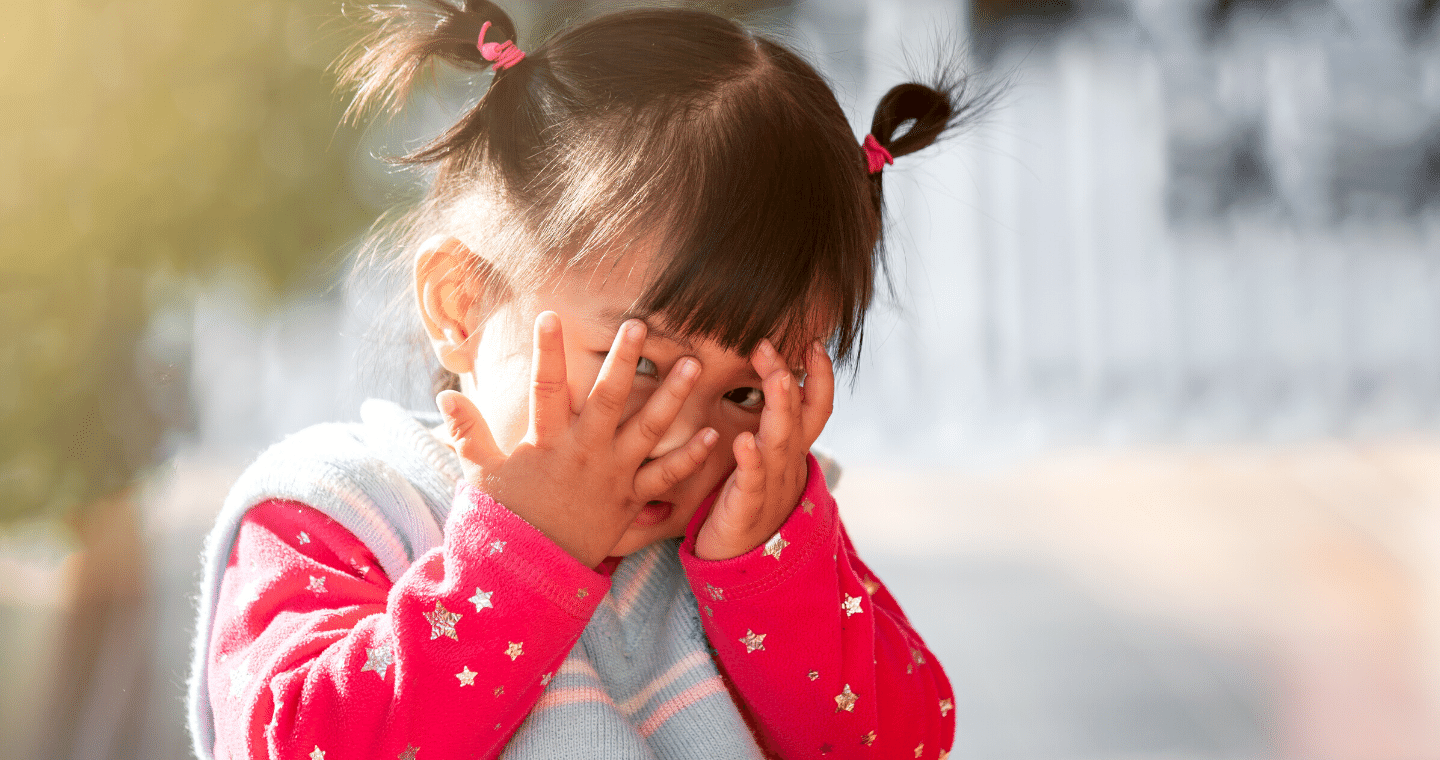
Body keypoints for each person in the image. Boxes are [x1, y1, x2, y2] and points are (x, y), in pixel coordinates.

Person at [187, 2, 989, 757]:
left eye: (745, 394)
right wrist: (525, 555)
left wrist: (771, 566)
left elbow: (905, 739)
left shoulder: (750, 533)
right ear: (463, 305)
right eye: (638, 364)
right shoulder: (347, 512)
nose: (685, 438)